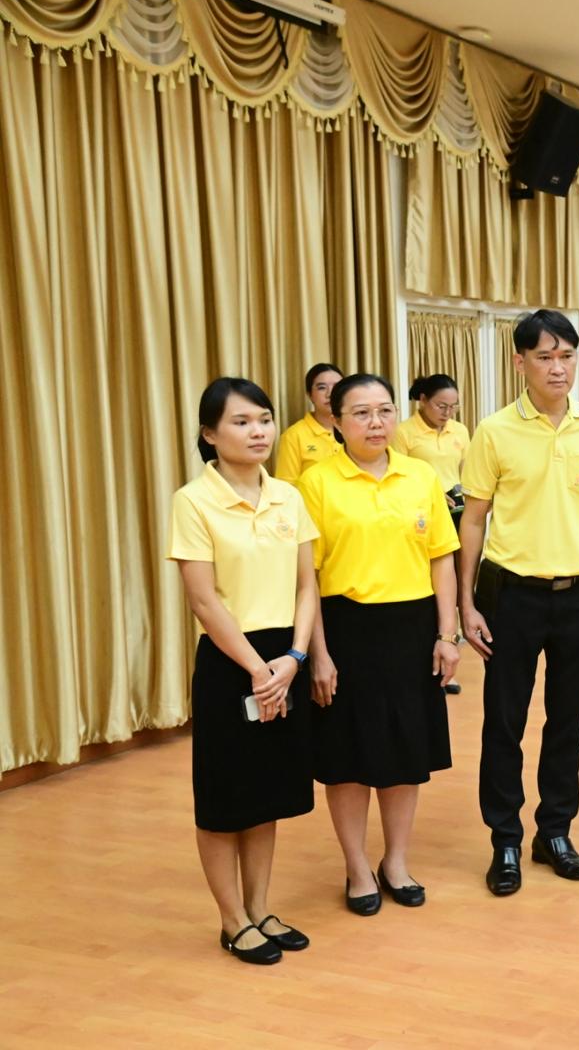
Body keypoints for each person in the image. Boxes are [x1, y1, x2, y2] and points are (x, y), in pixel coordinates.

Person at [460, 310, 579, 894]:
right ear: (520, 362)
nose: (559, 368)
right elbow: (473, 520)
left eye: (567, 356)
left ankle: (554, 832)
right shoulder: (494, 431)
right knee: (504, 722)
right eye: (546, 357)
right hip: (511, 595)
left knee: (567, 722)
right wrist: (466, 603)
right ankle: (504, 838)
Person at [169, 378, 319, 965]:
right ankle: (232, 920)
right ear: (209, 434)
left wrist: (296, 658)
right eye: (241, 422)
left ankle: (260, 908)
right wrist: (260, 670)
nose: (258, 431)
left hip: (284, 657)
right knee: (225, 796)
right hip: (232, 661)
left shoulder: (288, 496)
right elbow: (204, 600)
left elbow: (306, 585)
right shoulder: (193, 501)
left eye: (264, 419)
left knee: (266, 791)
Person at [300, 374, 460, 917]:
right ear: (337, 421)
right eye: (362, 413)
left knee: (404, 754)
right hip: (344, 629)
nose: (376, 423)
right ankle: (356, 867)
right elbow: (307, 578)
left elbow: (442, 559)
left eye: (385, 410)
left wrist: (446, 635)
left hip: (412, 629)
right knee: (347, 759)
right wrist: (318, 654)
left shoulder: (420, 476)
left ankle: (396, 861)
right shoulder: (316, 483)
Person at [392, 374, 473, 694]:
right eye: (441, 406)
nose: (447, 413)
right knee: (429, 584)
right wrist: (435, 496)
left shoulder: (460, 431)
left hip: (456, 513)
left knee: (456, 580)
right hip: (419, 517)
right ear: (422, 400)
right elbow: (399, 477)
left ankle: (450, 649)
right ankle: (428, 661)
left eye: (454, 407)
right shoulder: (403, 433)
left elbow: (467, 471)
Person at [275, 363, 344, 481]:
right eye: (322, 388)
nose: (330, 394)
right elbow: (286, 486)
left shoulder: (355, 428)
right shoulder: (293, 436)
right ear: (309, 395)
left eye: (337, 387)